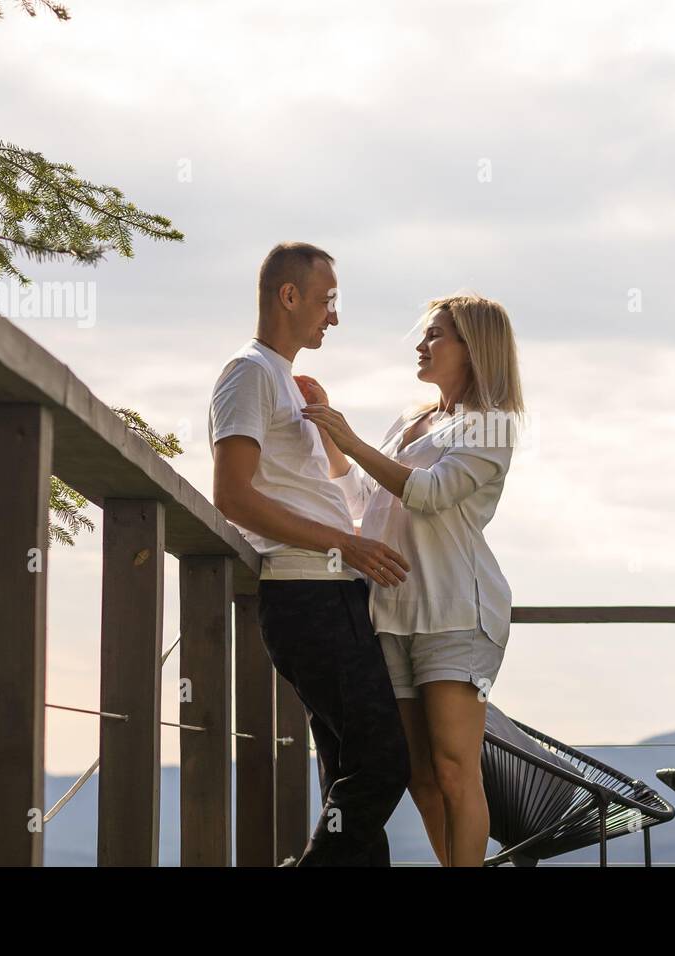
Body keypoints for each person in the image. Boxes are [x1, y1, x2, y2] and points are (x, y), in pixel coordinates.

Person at [301, 293, 523, 866]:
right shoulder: (411, 419)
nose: (422, 346)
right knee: (419, 775)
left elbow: (427, 493)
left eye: (436, 335)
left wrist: (349, 439)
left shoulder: (492, 425)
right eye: (425, 335)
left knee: (454, 768)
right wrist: (330, 431)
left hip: (457, 615)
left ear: (474, 348)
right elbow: (366, 498)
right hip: (393, 613)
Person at [209, 242, 412, 866]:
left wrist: (327, 430)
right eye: (327, 300)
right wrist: (345, 544)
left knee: (350, 778)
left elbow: (322, 493)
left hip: (336, 595)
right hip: (308, 595)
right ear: (288, 295)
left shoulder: (283, 382)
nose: (334, 315)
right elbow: (232, 496)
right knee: (383, 762)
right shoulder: (247, 373)